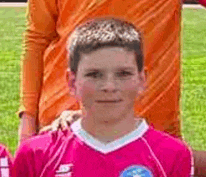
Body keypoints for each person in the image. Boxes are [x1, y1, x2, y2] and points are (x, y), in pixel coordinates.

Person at [14, 18, 193, 177]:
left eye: (123, 74)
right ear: (71, 82)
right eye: (94, 74)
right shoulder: (36, 154)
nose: (109, 86)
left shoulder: (172, 154)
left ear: (141, 79)